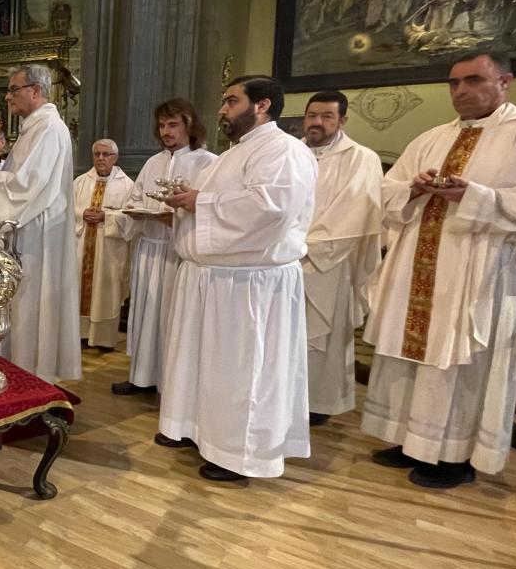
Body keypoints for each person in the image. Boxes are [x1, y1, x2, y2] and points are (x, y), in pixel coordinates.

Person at [361, 51, 516, 487]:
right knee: (411, 357)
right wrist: (412, 189)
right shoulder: (432, 137)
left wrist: (477, 197)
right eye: (454, 83)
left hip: (482, 270)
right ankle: (409, 440)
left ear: (505, 81)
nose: (461, 91)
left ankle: (454, 456)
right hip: (420, 265)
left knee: (464, 363)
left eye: (473, 80)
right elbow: (386, 190)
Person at [157, 76, 317, 483]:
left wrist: (200, 201)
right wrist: (192, 199)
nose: (223, 110)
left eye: (231, 101)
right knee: (213, 370)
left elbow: (271, 208)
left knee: (244, 372)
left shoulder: (284, 150)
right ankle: (202, 432)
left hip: (249, 284)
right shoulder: (238, 152)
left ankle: (240, 453)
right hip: (216, 278)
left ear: (261, 105)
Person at [0, 62, 79, 383]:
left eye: (13, 89)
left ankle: (30, 375)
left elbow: (29, 186)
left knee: (30, 305)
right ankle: (14, 369)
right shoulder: (34, 129)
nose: (7, 97)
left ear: (35, 91)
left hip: (36, 235)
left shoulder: (50, 129)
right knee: (18, 303)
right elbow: (16, 177)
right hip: (26, 230)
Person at [111, 98, 216, 396]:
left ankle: (172, 383)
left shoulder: (207, 162)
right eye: (162, 125)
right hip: (149, 248)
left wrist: (178, 219)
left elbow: (210, 209)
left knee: (173, 316)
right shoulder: (153, 162)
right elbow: (137, 197)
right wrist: (132, 209)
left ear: (189, 125)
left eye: (173, 124)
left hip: (178, 252)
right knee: (145, 313)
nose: (167, 131)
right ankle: (141, 375)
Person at [299, 89, 382, 425]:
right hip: (281, 260)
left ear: (342, 120)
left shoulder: (361, 158)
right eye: (311, 116)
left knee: (322, 338)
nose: (317, 122)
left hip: (327, 263)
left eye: (326, 116)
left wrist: (303, 247)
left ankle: (318, 402)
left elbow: (355, 211)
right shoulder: (294, 153)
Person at [72, 139, 136, 351]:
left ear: (115, 158)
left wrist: (106, 216)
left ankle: (104, 340)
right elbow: (66, 211)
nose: (101, 158)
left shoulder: (127, 185)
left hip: (109, 251)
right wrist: (82, 214)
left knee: (106, 292)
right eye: (97, 154)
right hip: (82, 247)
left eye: (106, 154)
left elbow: (131, 217)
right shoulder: (80, 182)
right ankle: (80, 335)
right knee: (79, 288)